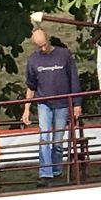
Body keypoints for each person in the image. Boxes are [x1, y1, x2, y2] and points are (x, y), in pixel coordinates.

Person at [20, 21, 80, 180]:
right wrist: (26, 108)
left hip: (62, 103)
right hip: (44, 103)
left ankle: (56, 170)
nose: (43, 48)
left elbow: (73, 79)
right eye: (39, 46)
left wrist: (77, 103)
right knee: (44, 137)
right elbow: (31, 86)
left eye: (44, 44)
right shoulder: (33, 60)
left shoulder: (64, 55)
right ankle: (45, 173)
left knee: (58, 141)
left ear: (48, 38)